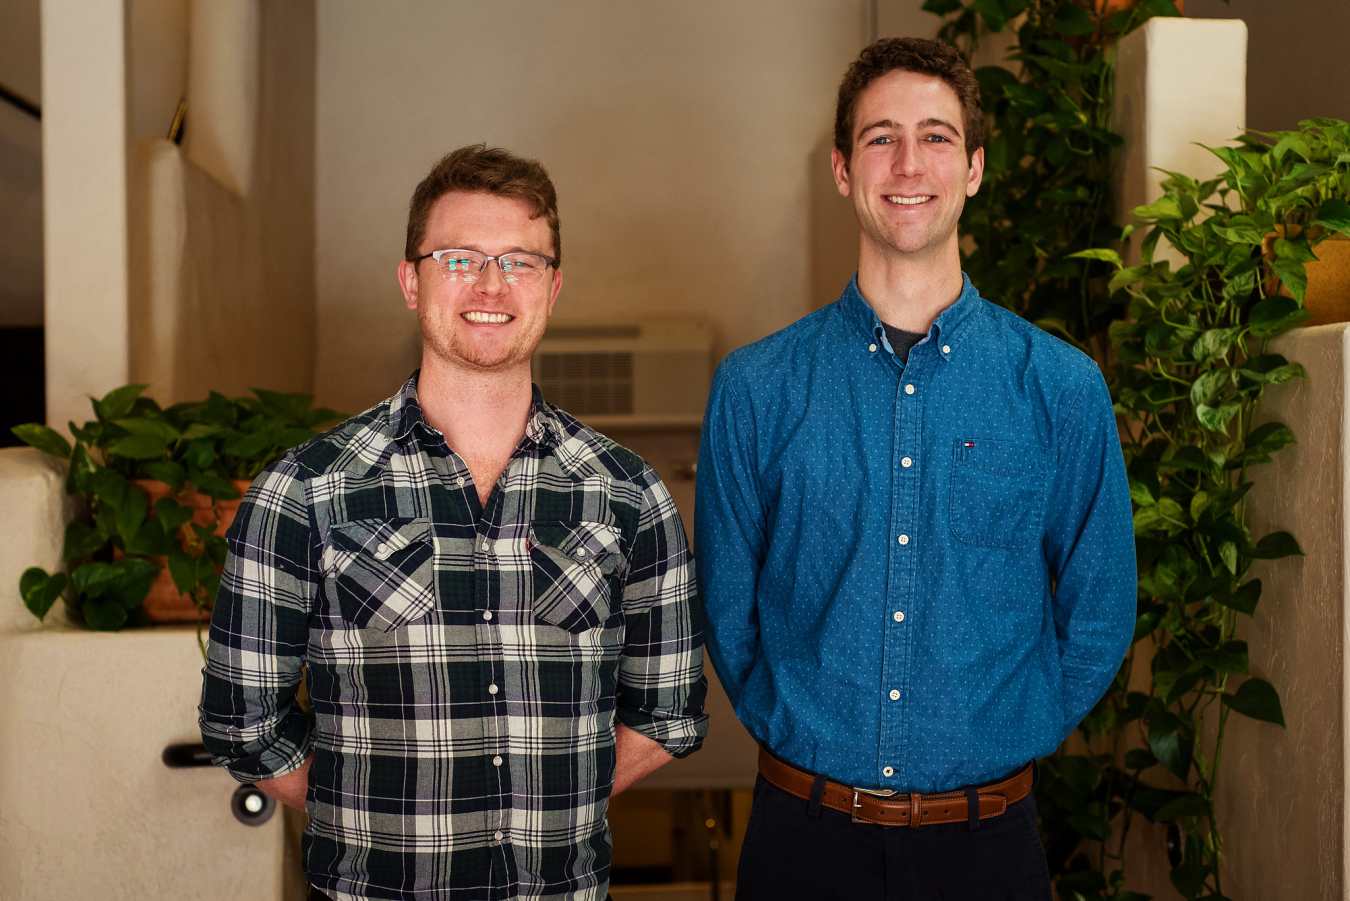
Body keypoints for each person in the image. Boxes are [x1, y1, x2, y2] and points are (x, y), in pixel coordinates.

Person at [200, 144, 708, 901]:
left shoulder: (628, 493)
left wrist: (556, 799)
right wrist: (366, 815)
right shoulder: (303, 490)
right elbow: (244, 724)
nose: (492, 284)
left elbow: (667, 712)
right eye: (460, 257)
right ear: (412, 279)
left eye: (521, 261)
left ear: (554, 285)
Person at [696, 37, 1134, 900]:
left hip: (988, 847)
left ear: (973, 168)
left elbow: (1101, 612)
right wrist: (807, 728)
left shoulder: (1060, 388)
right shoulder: (756, 387)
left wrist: (1004, 730)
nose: (908, 162)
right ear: (840, 167)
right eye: (880, 137)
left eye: (936, 137)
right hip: (802, 842)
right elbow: (728, 614)